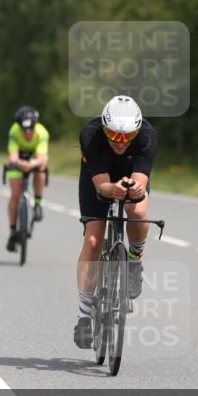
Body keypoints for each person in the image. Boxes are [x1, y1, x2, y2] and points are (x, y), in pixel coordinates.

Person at [74, 95, 157, 349]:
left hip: (131, 175)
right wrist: (113, 189)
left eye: (127, 137)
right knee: (93, 239)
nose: (120, 143)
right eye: (114, 135)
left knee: (138, 211)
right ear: (104, 127)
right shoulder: (91, 134)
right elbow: (102, 186)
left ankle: (134, 258)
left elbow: (141, 182)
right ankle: (84, 315)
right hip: (99, 179)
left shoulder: (147, 136)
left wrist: (134, 189)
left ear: (137, 130)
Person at [5, 106, 50, 252]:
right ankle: (13, 233)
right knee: (15, 195)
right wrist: (20, 163)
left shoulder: (42, 132)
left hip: (34, 160)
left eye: (31, 129)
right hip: (18, 161)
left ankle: (37, 203)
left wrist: (32, 163)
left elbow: (41, 157)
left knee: (42, 168)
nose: (28, 132)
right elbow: (12, 156)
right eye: (25, 130)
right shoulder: (14, 131)